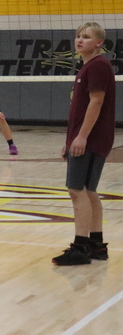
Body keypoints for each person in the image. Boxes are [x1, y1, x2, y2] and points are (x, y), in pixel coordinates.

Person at [52, 22, 116, 266]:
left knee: (76, 190)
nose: (80, 40)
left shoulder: (97, 66)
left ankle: (80, 248)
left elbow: (96, 103)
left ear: (99, 43)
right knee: (89, 191)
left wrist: (81, 137)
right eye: (78, 36)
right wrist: (70, 139)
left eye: (86, 37)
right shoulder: (91, 66)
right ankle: (97, 245)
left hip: (91, 139)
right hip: (91, 138)